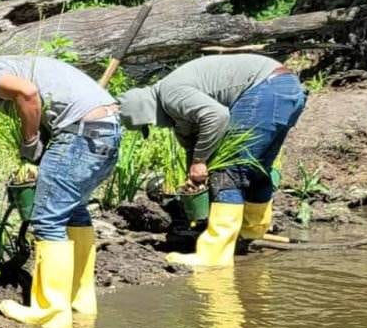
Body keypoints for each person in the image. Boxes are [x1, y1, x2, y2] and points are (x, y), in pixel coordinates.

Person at [0, 53, 123, 328]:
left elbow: (28, 92)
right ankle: (80, 300)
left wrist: (30, 140)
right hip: (107, 129)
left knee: (47, 221)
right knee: (74, 212)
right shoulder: (12, 65)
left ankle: (50, 312)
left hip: (80, 133)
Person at [117, 53, 308, 268]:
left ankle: (214, 255)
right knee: (255, 167)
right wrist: (196, 173)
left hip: (265, 89)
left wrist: (200, 162)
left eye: (149, 123)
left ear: (147, 110)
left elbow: (217, 116)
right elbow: (193, 142)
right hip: (286, 88)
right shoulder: (174, 105)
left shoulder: (171, 93)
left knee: (230, 171)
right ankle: (250, 231)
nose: (154, 125)